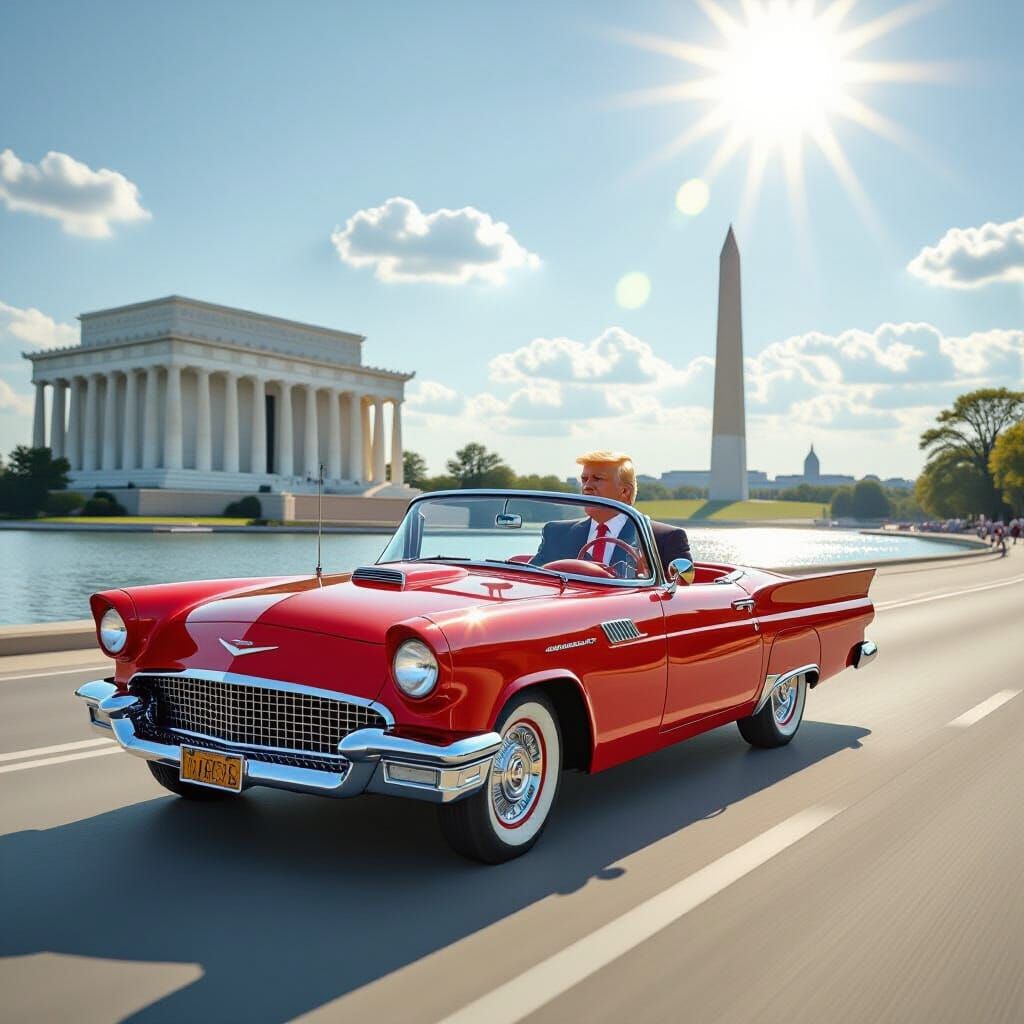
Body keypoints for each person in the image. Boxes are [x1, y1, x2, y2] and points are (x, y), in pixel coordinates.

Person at [531, 450, 691, 576]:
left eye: (597, 479)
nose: (587, 486)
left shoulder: (663, 538)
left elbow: (680, 595)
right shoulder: (556, 533)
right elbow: (529, 579)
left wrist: (647, 576)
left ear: (625, 492)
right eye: (584, 479)